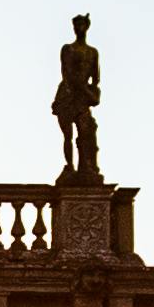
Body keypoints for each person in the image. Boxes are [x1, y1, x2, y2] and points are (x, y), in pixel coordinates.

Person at [52, 13, 102, 182]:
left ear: (86, 27)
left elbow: (96, 78)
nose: (79, 28)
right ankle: (70, 166)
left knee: (86, 132)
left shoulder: (93, 52)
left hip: (82, 97)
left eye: (82, 25)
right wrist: (80, 88)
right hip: (68, 94)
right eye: (76, 25)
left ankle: (86, 166)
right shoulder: (68, 49)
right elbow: (66, 72)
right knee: (68, 135)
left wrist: (92, 93)